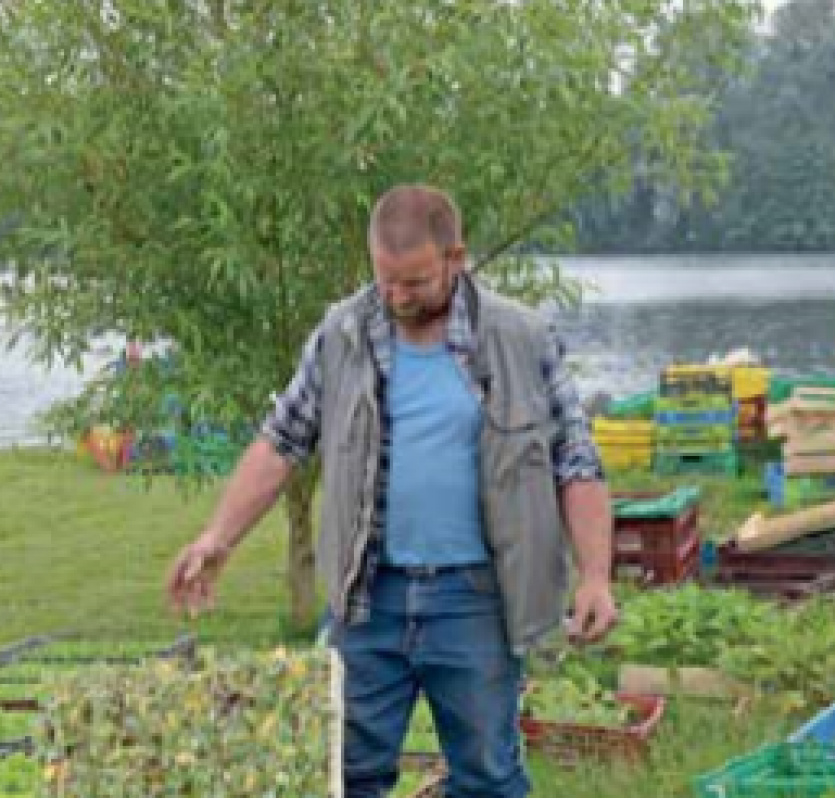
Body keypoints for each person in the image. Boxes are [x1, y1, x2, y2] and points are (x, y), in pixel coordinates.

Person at [166, 184, 617, 798]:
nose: (397, 297)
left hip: (478, 599)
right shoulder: (341, 334)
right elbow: (281, 441)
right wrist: (218, 537)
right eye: (385, 279)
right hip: (367, 597)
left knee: (488, 776)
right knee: (345, 777)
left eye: (416, 282)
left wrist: (595, 575)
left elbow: (576, 461)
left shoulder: (522, 337)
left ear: (456, 258)